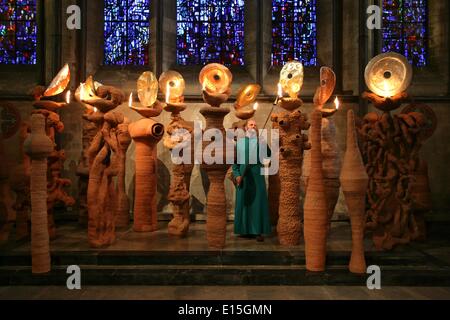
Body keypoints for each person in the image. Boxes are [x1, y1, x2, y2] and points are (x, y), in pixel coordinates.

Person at [232, 119, 272, 242]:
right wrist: (237, 175)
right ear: (246, 128)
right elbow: (235, 163)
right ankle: (243, 230)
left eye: (255, 125)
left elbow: (268, 155)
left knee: (257, 203)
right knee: (244, 202)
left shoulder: (261, 142)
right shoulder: (239, 143)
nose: (253, 127)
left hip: (257, 176)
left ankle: (257, 231)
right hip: (244, 176)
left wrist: (263, 143)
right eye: (251, 125)